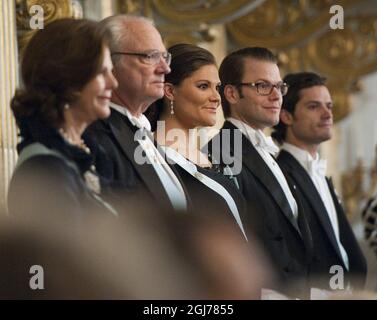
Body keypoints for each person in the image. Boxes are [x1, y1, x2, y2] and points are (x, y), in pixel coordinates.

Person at [206, 47, 313, 298]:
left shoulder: (270, 152)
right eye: (263, 86)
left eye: (280, 87)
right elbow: (234, 240)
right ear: (231, 93)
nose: (277, 96)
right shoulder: (222, 150)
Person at [8, 18, 119, 224]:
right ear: (70, 79)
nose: (113, 82)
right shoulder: (45, 171)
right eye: (102, 73)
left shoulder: (87, 153)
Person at [272, 72, 367, 291]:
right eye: (314, 106)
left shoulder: (320, 174)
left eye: (329, 106)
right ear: (286, 116)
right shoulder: (280, 174)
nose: (327, 114)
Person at [85, 15, 189, 213]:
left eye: (165, 57)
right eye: (150, 56)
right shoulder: (94, 137)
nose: (165, 68)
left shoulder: (143, 131)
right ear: (109, 62)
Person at [146, 43, 248, 240]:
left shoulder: (210, 156)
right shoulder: (154, 156)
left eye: (216, 88)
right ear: (169, 91)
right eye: (203, 86)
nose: (216, 97)